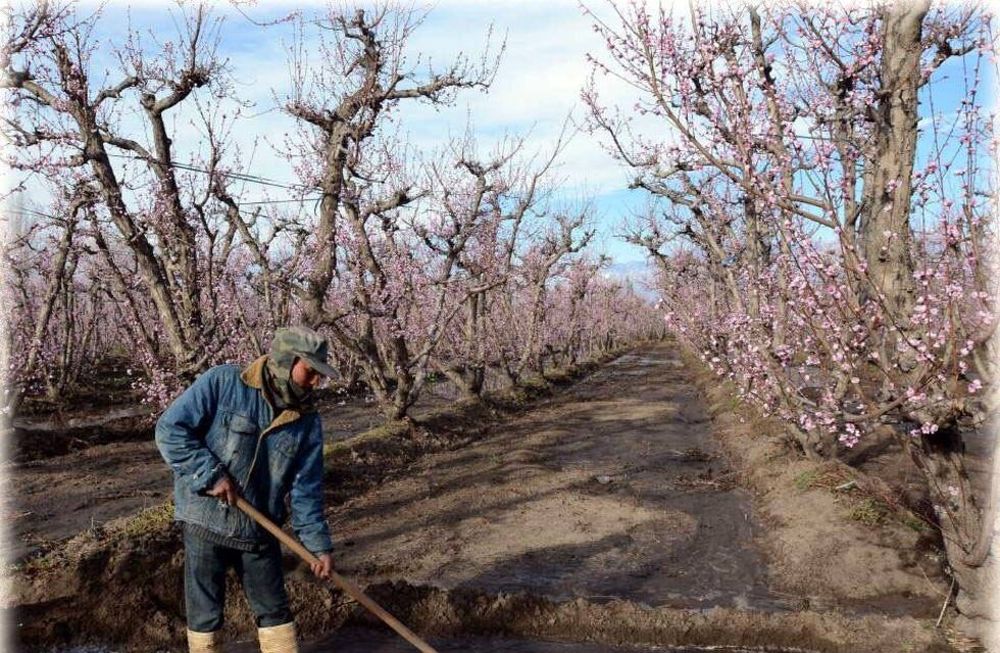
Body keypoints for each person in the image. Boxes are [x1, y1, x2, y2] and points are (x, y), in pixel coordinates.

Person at [156, 326, 338, 653]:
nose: (315, 383)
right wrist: (209, 474)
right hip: (205, 522)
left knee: (275, 612)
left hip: (259, 529)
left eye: (318, 376)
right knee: (206, 615)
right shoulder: (223, 383)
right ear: (285, 361)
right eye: (310, 372)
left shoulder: (307, 421)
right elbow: (171, 430)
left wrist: (317, 546)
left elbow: (306, 491)